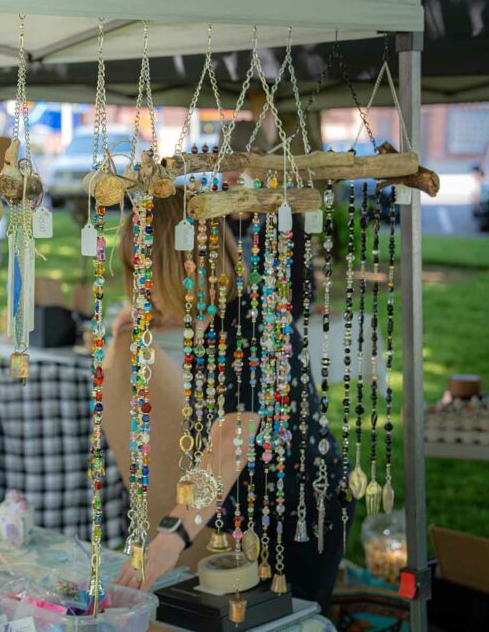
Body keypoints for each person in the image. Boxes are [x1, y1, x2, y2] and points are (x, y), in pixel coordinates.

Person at [104, 193, 347, 611]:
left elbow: (229, 441)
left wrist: (172, 535)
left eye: (146, 273)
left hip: (301, 514)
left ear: (185, 265)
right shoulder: (214, 316)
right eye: (133, 274)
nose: (140, 287)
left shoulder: (255, 327)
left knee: (289, 617)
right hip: (246, 504)